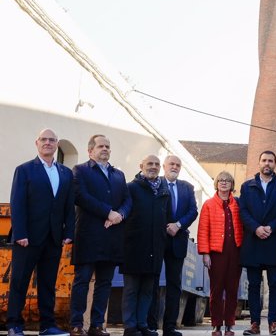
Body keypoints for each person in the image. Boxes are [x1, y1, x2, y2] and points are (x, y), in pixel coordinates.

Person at [6, 129, 75, 336]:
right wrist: (20, 233)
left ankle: (48, 325)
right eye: (44, 139)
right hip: (27, 238)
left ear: (56, 144)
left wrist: (68, 231)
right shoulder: (25, 170)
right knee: (19, 282)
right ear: (37, 143)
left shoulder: (65, 173)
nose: (48, 143)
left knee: (47, 283)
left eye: (52, 140)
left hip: (54, 238)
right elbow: (17, 203)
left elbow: (68, 205)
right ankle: (14, 325)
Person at [70, 135, 132, 336]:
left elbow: (127, 200)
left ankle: (97, 325)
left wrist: (119, 215)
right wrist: (108, 212)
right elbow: (81, 197)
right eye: (100, 146)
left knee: (104, 283)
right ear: (90, 151)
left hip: (112, 236)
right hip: (88, 235)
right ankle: (77, 324)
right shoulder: (80, 170)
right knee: (82, 281)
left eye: (108, 146)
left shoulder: (118, 175)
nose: (105, 149)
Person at [147, 155, 199, 336]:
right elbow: (151, 209)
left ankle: (170, 326)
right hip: (157, 239)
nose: (174, 167)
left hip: (177, 240)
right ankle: (151, 325)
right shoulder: (155, 184)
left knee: (174, 284)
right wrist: (164, 226)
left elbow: (193, 211)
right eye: (171, 164)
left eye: (178, 165)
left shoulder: (187, 188)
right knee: (151, 283)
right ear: (164, 166)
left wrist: (178, 225)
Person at [239, 151, 276, 336]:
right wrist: (256, 228)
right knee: (253, 285)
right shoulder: (247, 186)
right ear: (259, 163)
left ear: (275, 163)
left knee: (274, 284)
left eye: (270, 161)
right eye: (264, 160)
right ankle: (254, 324)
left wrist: (271, 227)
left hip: (273, 241)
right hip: (252, 242)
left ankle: (273, 324)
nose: (267, 163)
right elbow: (243, 212)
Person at [122, 155, 170, 336]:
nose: (154, 167)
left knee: (147, 290)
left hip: (155, 248)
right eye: (150, 164)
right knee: (131, 289)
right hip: (134, 247)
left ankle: (142, 324)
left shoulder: (163, 191)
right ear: (141, 166)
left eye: (157, 164)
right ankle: (130, 326)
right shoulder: (131, 188)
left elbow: (167, 218)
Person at [198, 171, 244, 336]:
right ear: (216, 184)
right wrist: (205, 253)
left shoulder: (238, 204)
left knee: (232, 289)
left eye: (227, 180)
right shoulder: (209, 204)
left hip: (235, 251)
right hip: (216, 253)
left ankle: (230, 325)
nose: (224, 183)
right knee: (216, 289)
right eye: (221, 180)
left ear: (232, 184)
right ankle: (216, 325)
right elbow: (203, 230)